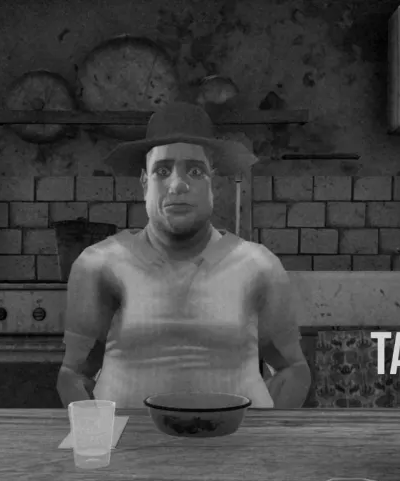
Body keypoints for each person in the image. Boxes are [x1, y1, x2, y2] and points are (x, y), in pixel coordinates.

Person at [56, 102, 311, 409]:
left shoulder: (258, 266)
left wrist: (266, 432)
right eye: (162, 171)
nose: (178, 184)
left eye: (195, 170)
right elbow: (74, 374)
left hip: (235, 439)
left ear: (213, 183)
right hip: (131, 439)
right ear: (144, 182)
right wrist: (99, 435)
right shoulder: (100, 265)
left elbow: (292, 370)